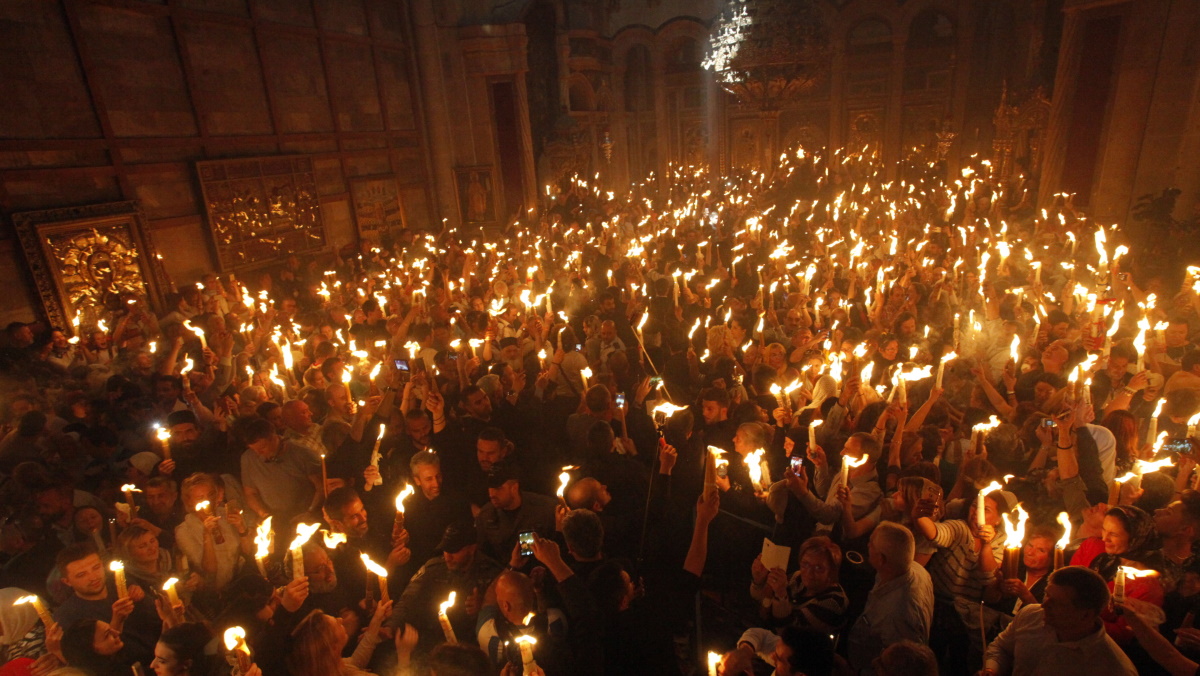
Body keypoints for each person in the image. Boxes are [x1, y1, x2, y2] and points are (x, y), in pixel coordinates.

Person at [981, 566, 1137, 676]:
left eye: (1057, 603)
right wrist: (992, 669)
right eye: (1047, 595)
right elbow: (1001, 648)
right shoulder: (1031, 615)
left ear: (1086, 615)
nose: (1044, 605)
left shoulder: (1113, 668)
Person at [847, 522, 934, 675]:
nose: (868, 544)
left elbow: (898, 666)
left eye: (872, 543)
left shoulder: (898, 614)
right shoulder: (916, 570)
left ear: (882, 559)